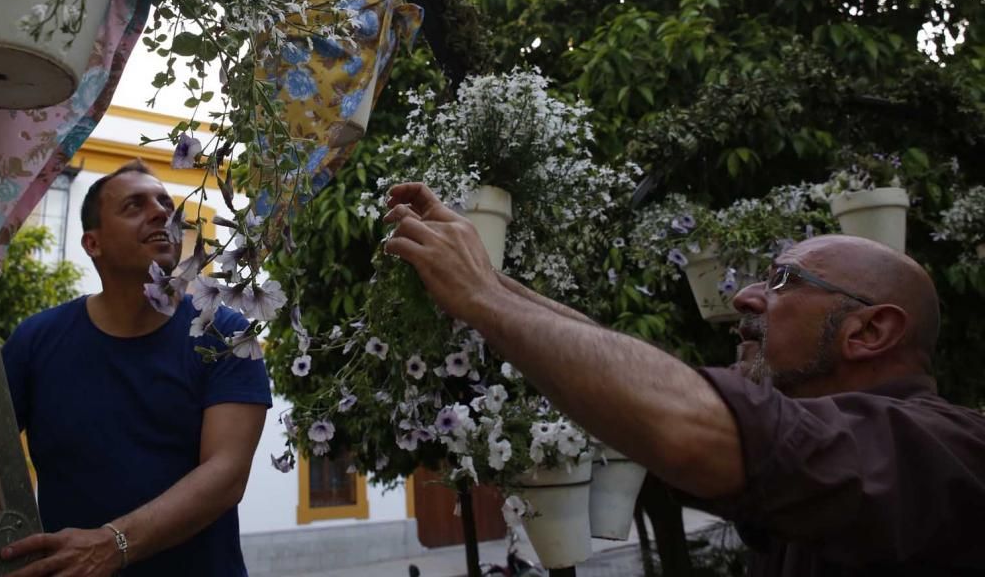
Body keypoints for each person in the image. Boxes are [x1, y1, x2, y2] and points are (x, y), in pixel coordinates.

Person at [383, 182, 985, 575]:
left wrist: (485, 297)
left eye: (782, 281)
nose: (745, 296)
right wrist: (487, 281)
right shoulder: (848, 435)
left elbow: (687, 422)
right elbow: (644, 375)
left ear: (870, 332)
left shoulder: (937, 450)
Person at [0, 160, 272, 577]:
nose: (162, 212)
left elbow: (226, 475)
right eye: (134, 206)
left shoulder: (228, 333)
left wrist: (114, 544)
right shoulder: (37, 340)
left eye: (166, 202)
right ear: (93, 244)